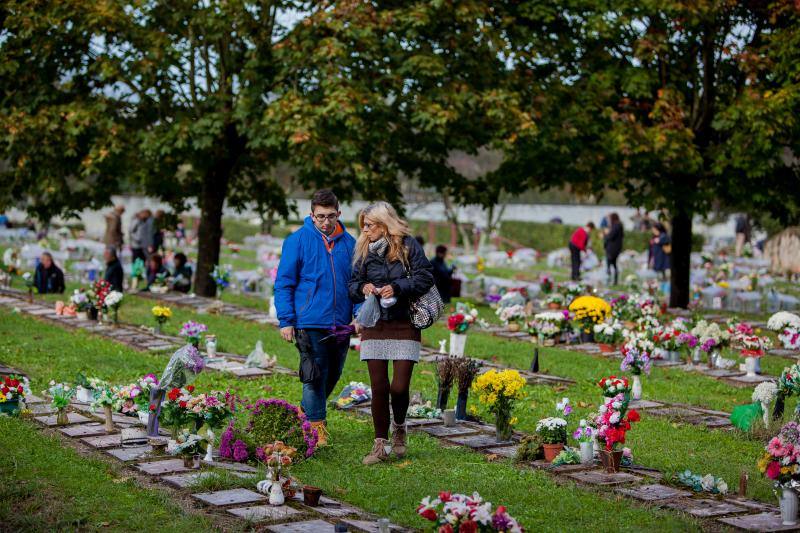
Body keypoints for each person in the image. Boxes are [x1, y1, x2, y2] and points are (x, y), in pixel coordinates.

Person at [348, 201, 435, 465]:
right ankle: (379, 443)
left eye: (370, 225)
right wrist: (363, 288)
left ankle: (399, 425)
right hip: (375, 323)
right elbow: (352, 284)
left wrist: (396, 287)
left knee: (398, 387)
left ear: (385, 224)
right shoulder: (364, 249)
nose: (365, 231)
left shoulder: (408, 246)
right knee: (379, 387)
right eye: (363, 226)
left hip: (404, 323)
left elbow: (425, 277)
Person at [274, 190, 357, 446]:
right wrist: (286, 320)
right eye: (320, 217)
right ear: (311, 215)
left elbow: (356, 283)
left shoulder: (350, 243)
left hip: (341, 323)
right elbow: (284, 282)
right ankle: (316, 430)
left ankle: (304, 414)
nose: (326, 222)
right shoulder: (297, 241)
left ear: (339, 214)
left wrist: (358, 314)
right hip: (309, 321)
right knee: (315, 374)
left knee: (333, 374)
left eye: (331, 216)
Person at [603, 213, 624, 286]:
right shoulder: (618, 225)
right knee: (614, 263)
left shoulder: (616, 226)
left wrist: (606, 234)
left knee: (610, 263)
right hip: (616, 247)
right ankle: (614, 279)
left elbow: (611, 236)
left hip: (613, 248)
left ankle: (610, 279)